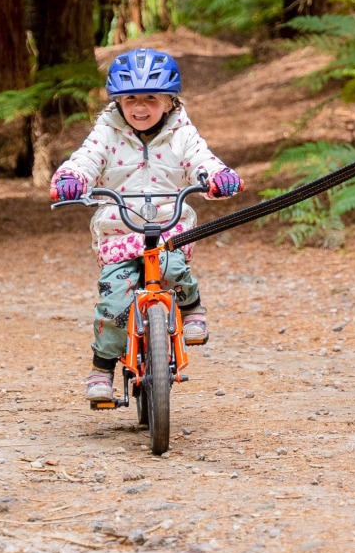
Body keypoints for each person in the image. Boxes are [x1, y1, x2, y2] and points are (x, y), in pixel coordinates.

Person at [50, 48, 245, 404]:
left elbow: (201, 159)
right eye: (130, 99)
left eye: (151, 98)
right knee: (115, 301)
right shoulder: (106, 132)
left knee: (173, 267)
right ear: (118, 102)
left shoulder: (181, 133)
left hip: (169, 228)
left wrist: (218, 176)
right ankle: (101, 369)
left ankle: (191, 308)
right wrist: (72, 177)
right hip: (120, 230)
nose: (140, 107)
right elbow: (86, 158)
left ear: (170, 101)